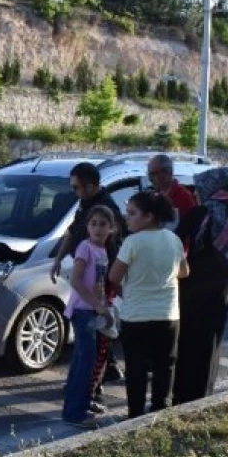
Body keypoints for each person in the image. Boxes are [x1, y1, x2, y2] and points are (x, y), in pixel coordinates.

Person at [52, 162, 128, 412]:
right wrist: (58, 258)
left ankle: (87, 393)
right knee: (89, 353)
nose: (75, 192)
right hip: (89, 301)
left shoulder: (106, 211)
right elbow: (72, 234)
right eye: (93, 225)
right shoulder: (87, 219)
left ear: (91, 186)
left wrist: (111, 294)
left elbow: (116, 256)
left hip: (101, 292)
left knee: (94, 350)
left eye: (77, 188)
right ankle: (82, 398)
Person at [174, 167, 228, 405]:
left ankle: (182, 394)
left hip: (192, 283)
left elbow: (177, 241)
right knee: (211, 340)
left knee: (187, 338)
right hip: (221, 286)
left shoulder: (199, 213)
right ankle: (202, 394)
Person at [109, 191, 189, 418]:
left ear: (149, 216)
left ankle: (135, 414)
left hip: (136, 316)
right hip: (168, 314)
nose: (127, 218)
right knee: (165, 366)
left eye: (132, 213)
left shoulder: (132, 242)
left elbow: (114, 276)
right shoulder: (173, 239)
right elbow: (184, 272)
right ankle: (161, 410)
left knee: (137, 369)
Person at [59, 205, 119, 429]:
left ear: (112, 229)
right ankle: (75, 413)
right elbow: (76, 281)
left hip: (94, 309)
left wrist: (105, 307)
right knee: (84, 363)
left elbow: (100, 284)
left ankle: (78, 407)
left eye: (103, 224)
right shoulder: (85, 247)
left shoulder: (102, 250)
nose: (98, 228)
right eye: (93, 224)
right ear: (87, 227)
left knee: (86, 361)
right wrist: (96, 305)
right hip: (83, 310)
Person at [147, 154, 197, 229]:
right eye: (149, 174)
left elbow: (192, 229)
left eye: (153, 174)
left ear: (168, 172)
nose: (150, 178)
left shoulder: (183, 196)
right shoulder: (155, 195)